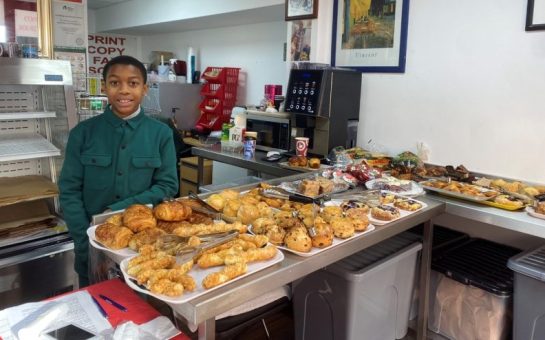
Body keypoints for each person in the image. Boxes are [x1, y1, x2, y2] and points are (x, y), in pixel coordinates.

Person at [59, 55, 179, 287]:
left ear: (144, 89)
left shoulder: (161, 134)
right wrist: (86, 239)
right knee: (96, 310)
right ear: (104, 87)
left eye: (133, 83)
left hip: (143, 250)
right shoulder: (82, 133)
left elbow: (167, 186)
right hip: (91, 246)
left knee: (141, 311)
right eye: (115, 83)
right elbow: (69, 190)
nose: (124, 91)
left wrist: (114, 211)